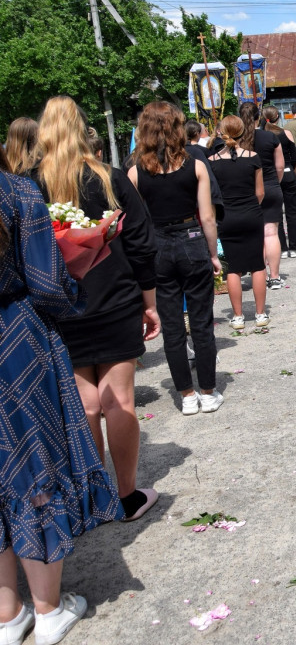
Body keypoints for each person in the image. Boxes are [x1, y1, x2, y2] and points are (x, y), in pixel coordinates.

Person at [0, 159, 124, 645]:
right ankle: (48, 609)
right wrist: (76, 283)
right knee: (33, 466)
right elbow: (48, 284)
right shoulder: (15, 193)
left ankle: (7, 615)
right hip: (16, 339)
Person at [32, 96, 159, 526]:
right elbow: (141, 242)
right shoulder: (109, 178)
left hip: (59, 306)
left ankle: (94, 498)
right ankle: (126, 496)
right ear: (83, 128)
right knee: (119, 400)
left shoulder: (30, 186)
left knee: (86, 406)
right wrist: (150, 303)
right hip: (115, 299)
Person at [129, 102, 223, 414]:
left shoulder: (134, 173)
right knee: (201, 321)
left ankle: (186, 395)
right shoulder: (195, 165)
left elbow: (137, 223)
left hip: (157, 244)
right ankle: (208, 391)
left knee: (171, 325)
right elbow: (208, 218)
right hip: (191, 238)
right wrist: (213, 253)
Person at [209, 115, 268, 331]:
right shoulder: (253, 157)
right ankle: (261, 314)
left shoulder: (212, 162)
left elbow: (211, 197)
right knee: (258, 265)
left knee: (233, 268)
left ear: (220, 132)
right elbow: (260, 192)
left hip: (227, 217)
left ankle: (237, 316)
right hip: (251, 214)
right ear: (243, 132)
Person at [238, 103, 285, 289]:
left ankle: (260, 274)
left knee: (254, 235)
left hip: (247, 190)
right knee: (271, 232)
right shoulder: (270, 138)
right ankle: (274, 277)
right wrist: (275, 182)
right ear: (259, 117)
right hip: (271, 186)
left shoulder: (237, 140)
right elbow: (280, 166)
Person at [264, 106, 296, 258]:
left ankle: (282, 249)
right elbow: (294, 157)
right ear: (278, 117)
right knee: (292, 212)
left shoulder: (262, 135)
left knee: (275, 214)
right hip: (287, 172)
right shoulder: (285, 134)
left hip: (271, 176)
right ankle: (294, 247)